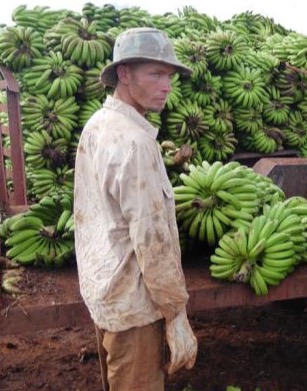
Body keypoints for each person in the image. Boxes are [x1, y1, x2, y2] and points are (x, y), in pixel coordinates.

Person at [73, 27, 197, 390]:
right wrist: (176, 314)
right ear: (124, 74)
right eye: (155, 74)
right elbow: (152, 240)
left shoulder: (98, 125)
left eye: (169, 76)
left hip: (108, 296)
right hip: (135, 309)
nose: (167, 86)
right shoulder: (134, 142)